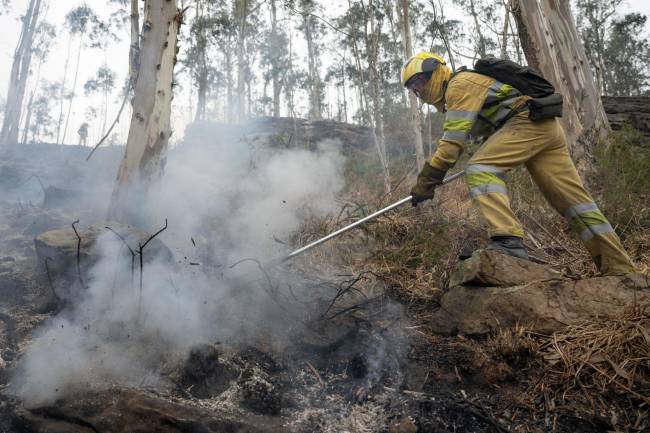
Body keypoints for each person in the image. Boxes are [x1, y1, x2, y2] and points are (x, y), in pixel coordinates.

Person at [401, 52, 635, 276]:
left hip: (527, 123)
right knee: (574, 204)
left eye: (420, 81)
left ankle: (508, 240)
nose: (418, 90)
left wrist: (427, 182)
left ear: (437, 71)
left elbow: (451, 144)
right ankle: (620, 268)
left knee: (480, 169)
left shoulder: (458, 85)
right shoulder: (458, 92)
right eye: (413, 87)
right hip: (544, 127)